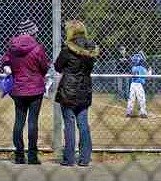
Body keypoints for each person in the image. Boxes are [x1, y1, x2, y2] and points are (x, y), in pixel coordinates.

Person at [0, 19, 50, 164]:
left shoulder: (12, 47)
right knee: (33, 122)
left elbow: (4, 61)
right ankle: (33, 156)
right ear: (32, 32)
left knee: (19, 121)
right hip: (35, 89)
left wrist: (9, 68)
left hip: (18, 89)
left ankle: (19, 155)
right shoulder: (38, 48)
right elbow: (44, 67)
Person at [54, 20, 99, 166]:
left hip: (68, 91)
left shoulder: (67, 49)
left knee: (69, 124)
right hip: (84, 90)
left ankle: (69, 158)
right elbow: (89, 67)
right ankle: (85, 158)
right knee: (83, 124)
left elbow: (57, 67)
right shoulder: (91, 48)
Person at [126, 53, 148, 118]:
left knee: (132, 98)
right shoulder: (138, 68)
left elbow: (147, 74)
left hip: (134, 85)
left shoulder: (137, 67)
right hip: (137, 84)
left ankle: (129, 112)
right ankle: (142, 112)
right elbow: (146, 75)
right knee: (141, 98)